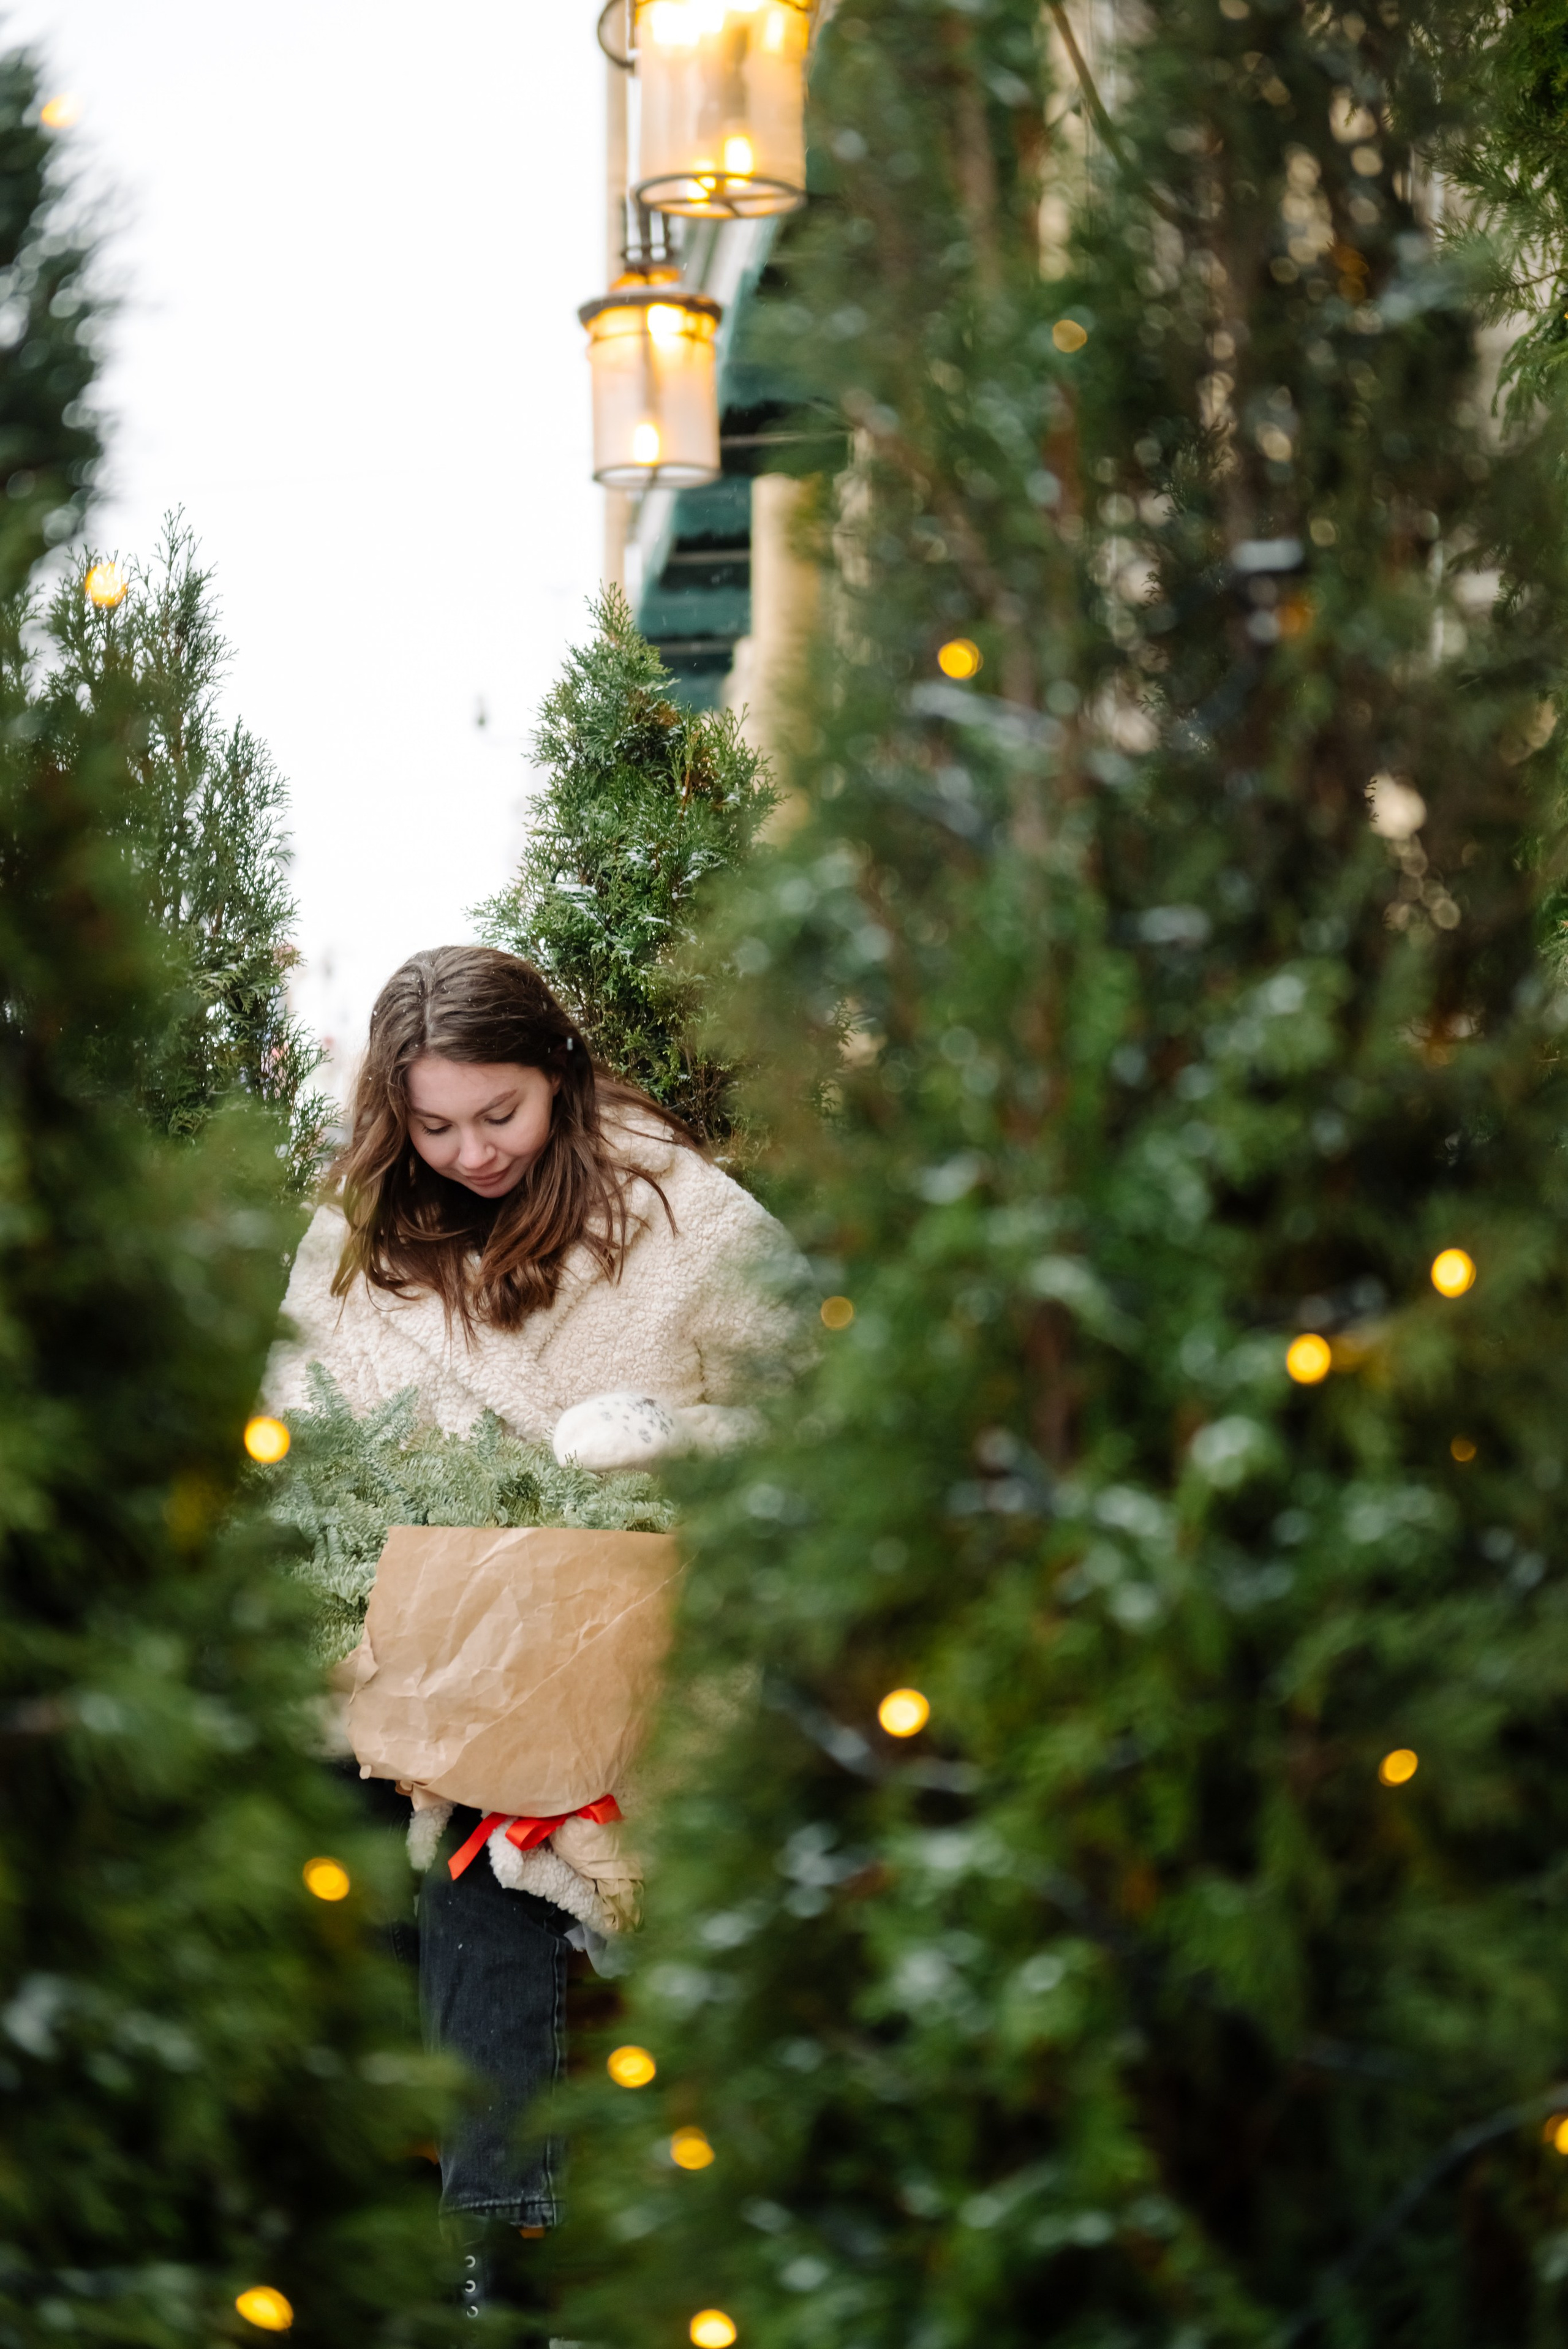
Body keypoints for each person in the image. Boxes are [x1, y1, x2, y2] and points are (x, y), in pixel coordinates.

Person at [265, 945, 798, 2296]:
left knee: (491, 1864)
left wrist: (669, 1435)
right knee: (313, 1827)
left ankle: (501, 2258)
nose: (469, 1153)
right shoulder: (359, 1229)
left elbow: (824, 1402)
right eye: (433, 1125)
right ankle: (320, 2230)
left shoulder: (677, 1211)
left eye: (498, 1115)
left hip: (620, 1654)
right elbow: (293, 1443)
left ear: (557, 1074)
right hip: (409, 1648)